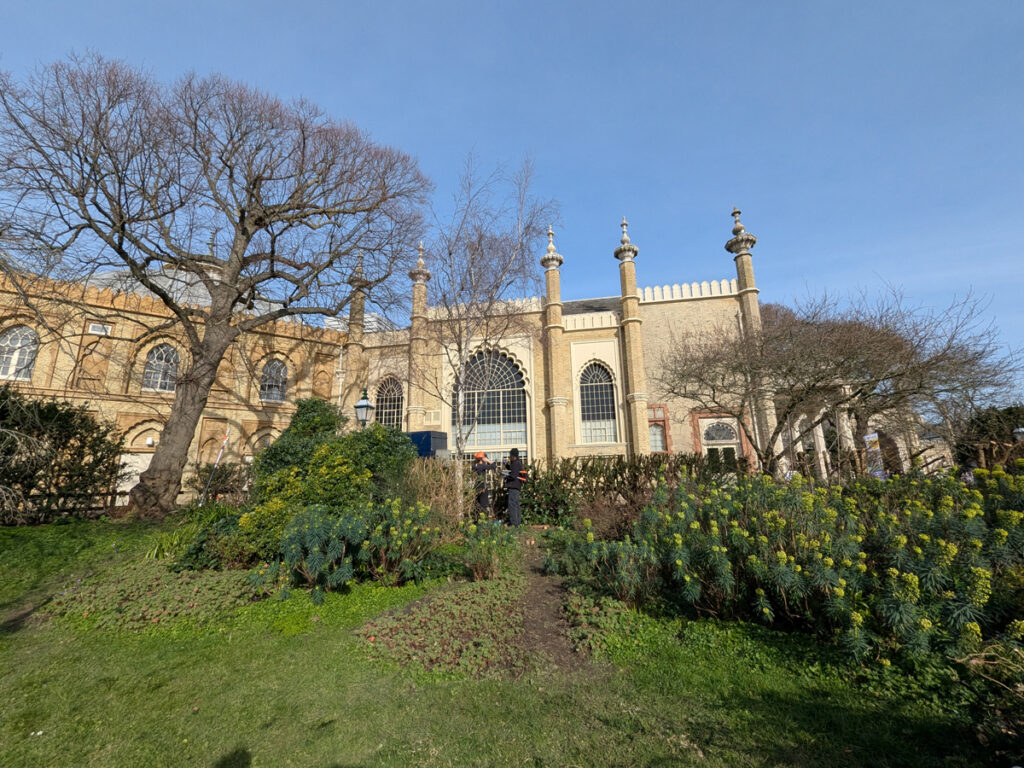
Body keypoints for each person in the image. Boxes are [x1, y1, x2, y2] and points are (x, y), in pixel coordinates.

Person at [471, 451, 496, 520]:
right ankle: (483, 520)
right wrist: (488, 460)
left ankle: (476, 520)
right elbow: (494, 466)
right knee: (483, 506)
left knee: (477, 505)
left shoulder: (475, 465)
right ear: (482, 459)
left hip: (477, 487)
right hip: (482, 488)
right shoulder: (481, 466)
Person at [504, 447, 524, 526]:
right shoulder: (517, 463)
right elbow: (513, 471)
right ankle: (517, 523)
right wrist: (507, 466)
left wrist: (505, 476)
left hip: (514, 487)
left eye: (510, 455)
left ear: (513, 456)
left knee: (512, 505)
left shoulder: (516, 463)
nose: (509, 457)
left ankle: (514, 524)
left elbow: (513, 475)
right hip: (516, 486)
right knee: (516, 504)